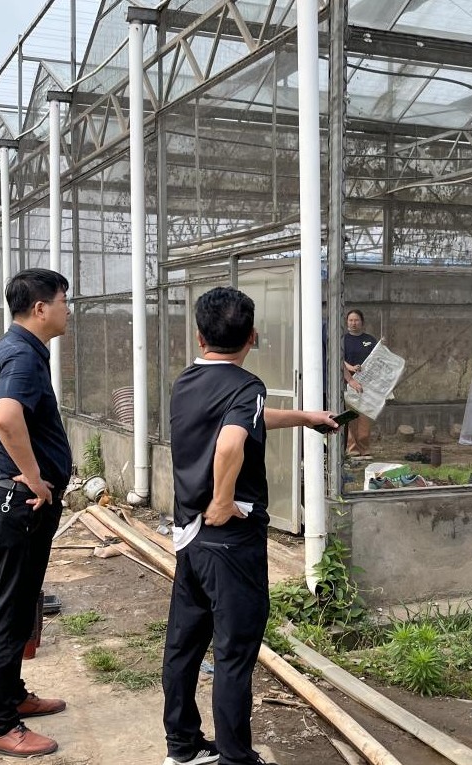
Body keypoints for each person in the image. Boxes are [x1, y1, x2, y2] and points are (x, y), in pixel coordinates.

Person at [162, 286, 337, 765]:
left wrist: (305, 417)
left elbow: (246, 419)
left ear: (200, 338)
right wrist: (222, 501)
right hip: (229, 540)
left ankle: (182, 747)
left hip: (189, 535)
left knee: (184, 646)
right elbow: (230, 441)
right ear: (252, 336)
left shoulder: (187, 381)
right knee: (234, 654)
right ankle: (236, 759)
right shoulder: (246, 386)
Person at [0, 268, 73, 758]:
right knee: (11, 613)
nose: (68, 310)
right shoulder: (24, 357)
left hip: (9, 499)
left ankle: (14, 696)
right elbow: (4, 414)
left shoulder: (7, 347)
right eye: (64, 301)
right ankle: (1, 724)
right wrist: (31, 475)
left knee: (21, 602)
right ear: (40, 308)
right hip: (22, 504)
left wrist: (2, 458)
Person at [342, 308, 377, 458]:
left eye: (356, 320)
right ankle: (352, 449)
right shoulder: (343, 340)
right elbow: (339, 359)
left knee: (365, 417)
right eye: (350, 320)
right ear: (346, 322)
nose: (353, 323)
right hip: (348, 383)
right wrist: (351, 368)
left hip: (367, 384)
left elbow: (377, 358)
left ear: (362, 322)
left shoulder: (370, 340)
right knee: (351, 417)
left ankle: (364, 448)